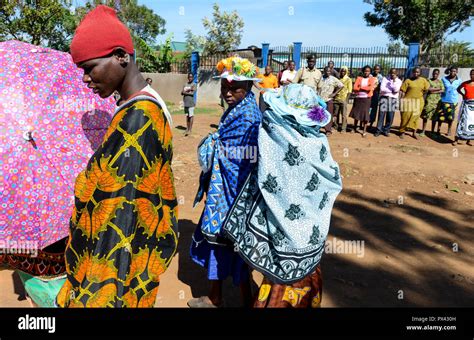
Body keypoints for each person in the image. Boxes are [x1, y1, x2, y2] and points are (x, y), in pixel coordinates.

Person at [56, 5, 178, 308]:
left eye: (90, 67)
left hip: (112, 276)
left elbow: (119, 218)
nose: (86, 79)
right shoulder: (136, 105)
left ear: (121, 56)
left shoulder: (139, 118)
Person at [222, 84, 342, 308]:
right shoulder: (317, 143)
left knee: (282, 297)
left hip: (286, 253)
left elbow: (267, 112)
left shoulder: (278, 138)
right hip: (310, 244)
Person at [188, 56, 261, 308]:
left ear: (249, 87)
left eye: (234, 89)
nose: (228, 93)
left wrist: (217, 147)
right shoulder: (237, 109)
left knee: (235, 248)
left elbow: (247, 160)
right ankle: (215, 296)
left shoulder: (250, 116)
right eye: (225, 88)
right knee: (219, 245)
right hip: (222, 193)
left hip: (235, 195)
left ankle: (246, 300)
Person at [399, 67, 430, 139]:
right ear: (412, 72)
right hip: (407, 102)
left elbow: (426, 90)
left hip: (418, 102)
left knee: (415, 117)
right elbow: (403, 91)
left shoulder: (423, 80)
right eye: (414, 72)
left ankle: (414, 132)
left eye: (417, 72)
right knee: (405, 117)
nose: (416, 73)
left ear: (420, 73)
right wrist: (401, 100)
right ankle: (402, 131)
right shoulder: (408, 80)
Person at [349, 65, 377, 137]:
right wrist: (364, 88)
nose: (366, 72)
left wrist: (361, 87)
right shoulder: (359, 78)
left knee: (365, 115)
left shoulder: (372, 79)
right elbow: (355, 87)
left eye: (368, 71)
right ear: (363, 71)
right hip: (358, 98)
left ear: (370, 72)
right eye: (365, 71)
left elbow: (370, 88)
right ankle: (355, 128)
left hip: (366, 99)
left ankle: (364, 130)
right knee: (356, 113)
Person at [434, 66, 462, 136]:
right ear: (450, 71)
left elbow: (460, 89)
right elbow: (441, 88)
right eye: (452, 71)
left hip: (453, 101)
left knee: (450, 117)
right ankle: (438, 130)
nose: (453, 72)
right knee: (441, 115)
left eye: (454, 71)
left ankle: (449, 130)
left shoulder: (459, 80)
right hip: (444, 100)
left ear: (457, 72)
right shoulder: (444, 79)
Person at [374, 68, 402, 137]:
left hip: (393, 99)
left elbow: (396, 90)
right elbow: (382, 89)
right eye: (391, 73)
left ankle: (386, 130)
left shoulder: (398, 81)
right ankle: (378, 130)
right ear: (389, 72)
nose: (392, 74)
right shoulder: (385, 79)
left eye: (394, 73)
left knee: (390, 115)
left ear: (396, 73)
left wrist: (394, 81)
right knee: (381, 115)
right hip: (384, 98)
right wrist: (391, 91)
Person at [319, 66, 343, 136]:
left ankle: (328, 130)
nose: (328, 72)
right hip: (320, 100)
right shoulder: (321, 78)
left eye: (329, 71)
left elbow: (341, 86)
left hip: (328, 99)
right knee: (320, 115)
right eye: (326, 71)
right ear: (324, 71)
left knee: (329, 115)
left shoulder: (333, 79)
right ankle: (318, 128)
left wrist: (334, 94)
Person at [420, 69, 444, 136]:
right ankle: (423, 131)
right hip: (429, 101)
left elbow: (443, 90)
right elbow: (428, 89)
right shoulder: (428, 81)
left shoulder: (440, 81)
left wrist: (434, 91)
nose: (435, 75)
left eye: (436, 74)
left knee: (435, 117)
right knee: (425, 116)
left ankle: (432, 131)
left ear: (438, 74)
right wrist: (438, 88)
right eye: (434, 73)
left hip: (437, 102)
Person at [453, 69, 474, 146]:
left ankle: (469, 140)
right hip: (466, 105)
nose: (472, 76)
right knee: (461, 121)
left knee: (472, 122)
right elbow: (458, 89)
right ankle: (456, 139)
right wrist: (463, 95)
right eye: (471, 74)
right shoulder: (465, 83)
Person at [333, 66, 352, 133]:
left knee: (343, 115)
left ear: (346, 72)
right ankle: (336, 126)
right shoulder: (337, 79)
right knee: (335, 114)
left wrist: (346, 100)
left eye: (344, 71)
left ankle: (343, 128)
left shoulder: (348, 79)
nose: (343, 72)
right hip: (336, 99)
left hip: (343, 99)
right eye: (342, 71)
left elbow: (349, 91)